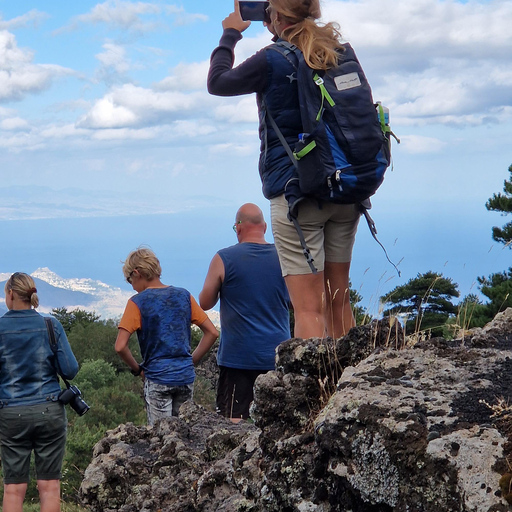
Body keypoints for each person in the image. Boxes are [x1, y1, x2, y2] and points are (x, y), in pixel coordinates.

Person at [207, 0, 360, 339]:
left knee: (308, 308)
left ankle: (321, 391)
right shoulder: (338, 51)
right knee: (339, 300)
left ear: (274, 15)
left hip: (297, 193)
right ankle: (353, 383)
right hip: (346, 185)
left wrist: (230, 34)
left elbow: (217, 82)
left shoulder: (272, 59)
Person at [0, 272, 79, 512]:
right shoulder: (50, 325)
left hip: (12, 415)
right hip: (50, 411)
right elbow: (70, 369)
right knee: (50, 486)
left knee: (13, 489)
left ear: (11, 294)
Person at [198, 204, 291, 422]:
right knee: (274, 424)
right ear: (265, 227)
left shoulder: (223, 258)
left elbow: (205, 302)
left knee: (232, 423)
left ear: (238, 228)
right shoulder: (285, 258)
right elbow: (297, 302)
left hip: (236, 358)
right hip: (275, 356)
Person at [115, 247, 219, 426]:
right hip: (185, 378)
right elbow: (212, 332)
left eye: (129, 279)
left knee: (160, 438)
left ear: (137, 273)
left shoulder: (136, 302)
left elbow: (120, 346)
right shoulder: (184, 295)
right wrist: (190, 361)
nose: (131, 285)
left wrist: (138, 370)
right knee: (184, 436)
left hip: (157, 378)